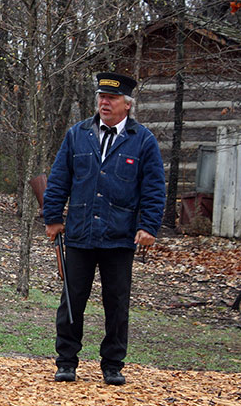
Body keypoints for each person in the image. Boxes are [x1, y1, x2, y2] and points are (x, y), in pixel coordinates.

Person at [42, 72, 166, 386]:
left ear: (127, 104)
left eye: (111, 98)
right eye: (101, 97)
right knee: (72, 299)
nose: (104, 103)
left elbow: (154, 189)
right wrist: (53, 218)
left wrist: (149, 226)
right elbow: (59, 180)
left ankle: (113, 365)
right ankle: (66, 361)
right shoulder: (77, 134)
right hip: (81, 233)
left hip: (120, 236)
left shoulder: (143, 140)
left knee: (117, 303)